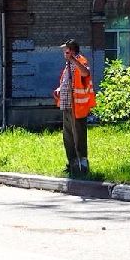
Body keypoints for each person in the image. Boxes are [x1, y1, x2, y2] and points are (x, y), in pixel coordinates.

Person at [54, 40, 95, 175]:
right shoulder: (67, 65)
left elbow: (85, 73)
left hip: (77, 106)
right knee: (68, 136)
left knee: (79, 136)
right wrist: (60, 89)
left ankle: (82, 165)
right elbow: (68, 81)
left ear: (71, 51)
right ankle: (72, 164)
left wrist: (73, 60)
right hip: (67, 105)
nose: (63, 54)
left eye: (65, 51)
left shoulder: (80, 61)